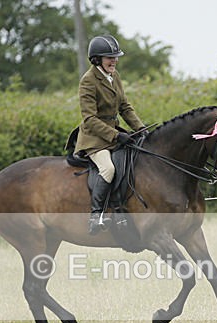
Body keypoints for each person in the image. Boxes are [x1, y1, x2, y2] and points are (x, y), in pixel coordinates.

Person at [74, 34, 146, 234]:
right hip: (95, 139)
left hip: (114, 134)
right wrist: (116, 135)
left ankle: (122, 210)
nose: (114, 61)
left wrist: (141, 129)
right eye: (109, 57)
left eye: (115, 57)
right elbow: (90, 119)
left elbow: (125, 107)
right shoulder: (88, 81)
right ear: (97, 59)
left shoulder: (114, 76)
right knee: (108, 169)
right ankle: (96, 216)